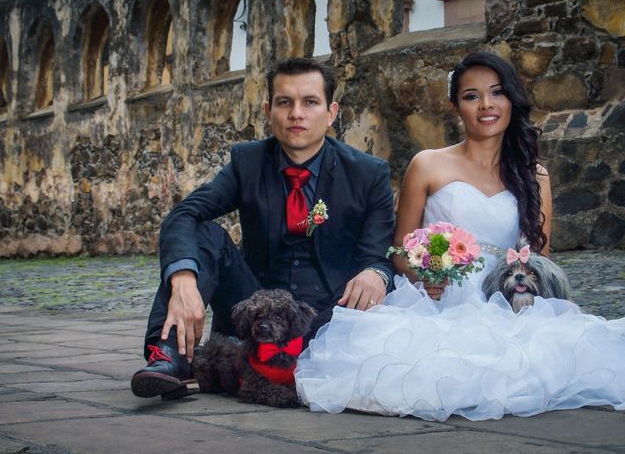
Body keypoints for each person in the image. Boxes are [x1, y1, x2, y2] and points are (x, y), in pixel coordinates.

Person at [295, 52, 625, 421]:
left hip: (503, 298)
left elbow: (538, 259)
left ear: (511, 99)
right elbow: (399, 247)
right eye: (471, 96)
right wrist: (427, 277)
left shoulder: (535, 176)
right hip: (438, 296)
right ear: (455, 105)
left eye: (496, 93)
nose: (486, 105)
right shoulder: (427, 164)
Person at [131, 57, 396, 400]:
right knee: (203, 233)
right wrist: (182, 278)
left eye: (310, 102)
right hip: (254, 307)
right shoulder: (248, 162)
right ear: (269, 110)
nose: (296, 113)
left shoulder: (367, 173)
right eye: (285, 102)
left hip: (329, 314)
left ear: (331, 113)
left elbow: (381, 254)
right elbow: (184, 215)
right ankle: (167, 357)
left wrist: (376, 272)